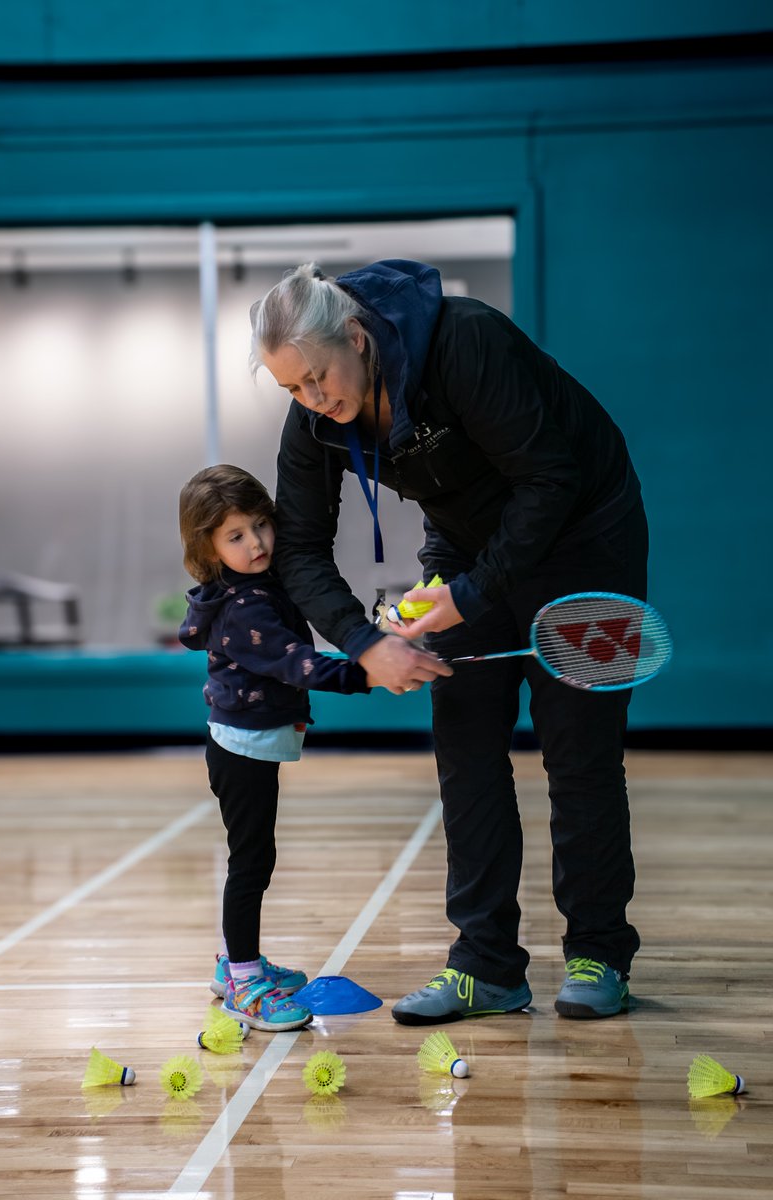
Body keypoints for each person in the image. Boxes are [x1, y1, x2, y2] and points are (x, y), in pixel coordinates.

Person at [249, 260, 649, 1024]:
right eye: (291, 389)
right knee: (464, 744)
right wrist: (368, 642)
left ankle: (599, 951)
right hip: (468, 547)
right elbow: (298, 545)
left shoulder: (466, 342)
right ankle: (486, 966)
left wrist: (465, 597)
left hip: (587, 533)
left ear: (357, 339)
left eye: (317, 378)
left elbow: (549, 482)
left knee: (579, 750)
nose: (312, 402)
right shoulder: (315, 418)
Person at [178, 464, 371, 1030]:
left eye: (260, 525)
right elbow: (297, 662)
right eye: (236, 536)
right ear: (208, 548)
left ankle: (238, 963)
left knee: (254, 857)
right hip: (242, 751)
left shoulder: (257, 585)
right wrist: (368, 672)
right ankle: (242, 980)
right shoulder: (244, 610)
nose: (257, 542)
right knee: (251, 862)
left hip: (250, 740)